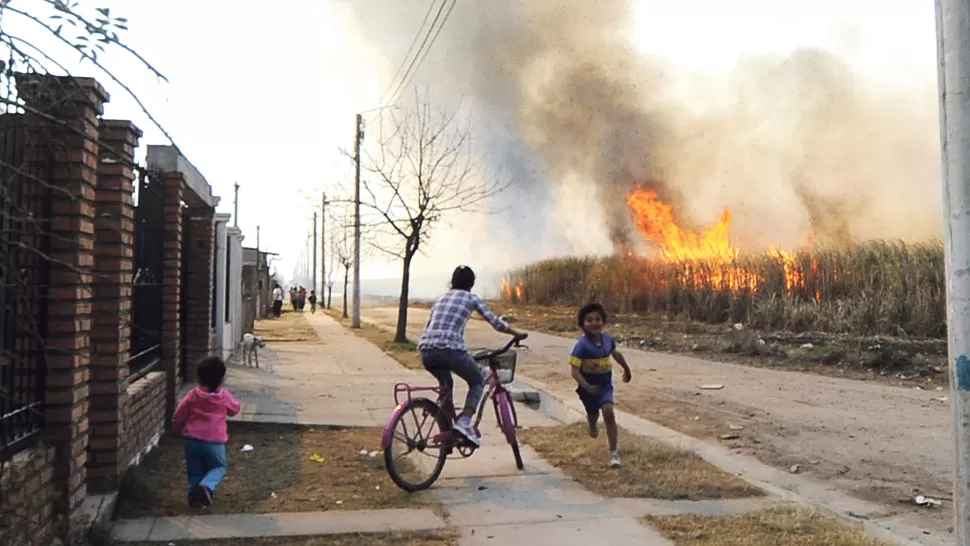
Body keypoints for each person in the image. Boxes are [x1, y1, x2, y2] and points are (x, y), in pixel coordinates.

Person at [418, 265, 526, 447]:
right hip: (451, 350)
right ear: (472, 284)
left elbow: (429, 326)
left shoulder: (440, 299)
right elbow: (496, 323)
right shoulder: (471, 298)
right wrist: (516, 334)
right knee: (477, 381)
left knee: (447, 385)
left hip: (427, 351)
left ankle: (446, 431)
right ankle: (464, 422)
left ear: (452, 282)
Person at [172, 356, 241, 508]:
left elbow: (179, 415)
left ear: (198, 377)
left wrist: (177, 430)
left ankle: (195, 499)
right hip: (214, 441)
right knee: (218, 467)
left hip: (192, 440)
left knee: (195, 471)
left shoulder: (193, 395)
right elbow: (234, 410)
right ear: (221, 378)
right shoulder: (223, 396)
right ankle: (207, 486)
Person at [569, 303, 632, 468]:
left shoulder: (608, 340)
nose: (594, 323)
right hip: (587, 388)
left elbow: (616, 354)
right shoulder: (581, 346)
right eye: (589, 320)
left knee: (609, 413)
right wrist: (588, 387)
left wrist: (626, 367)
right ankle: (591, 422)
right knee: (592, 413)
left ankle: (614, 453)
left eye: (597, 319)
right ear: (583, 324)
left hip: (604, 386)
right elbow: (575, 371)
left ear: (603, 322)